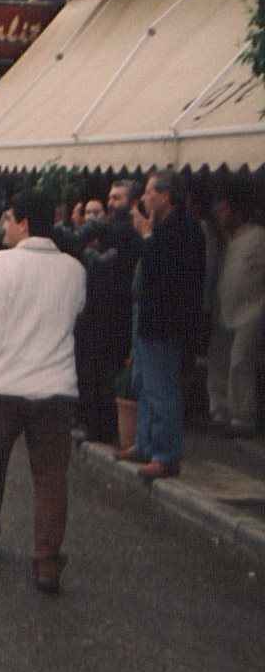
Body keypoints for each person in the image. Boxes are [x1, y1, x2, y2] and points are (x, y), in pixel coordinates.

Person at [0, 189, 87, 593]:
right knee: (51, 477)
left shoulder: (2, 264)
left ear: (25, 223)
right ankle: (47, 561)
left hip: (5, 385)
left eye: (9, 219)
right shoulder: (74, 270)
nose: (5, 227)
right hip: (55, 388)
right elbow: (75, 315)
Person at [120, 169, 207, 481]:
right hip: (149, 316)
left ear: (165, 195)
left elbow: (166, 269)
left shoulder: (185, 229)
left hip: (167, 321)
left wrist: (146, 234)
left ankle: (166, 455)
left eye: (150, 192)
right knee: (144, 384)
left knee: (163, 388)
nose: (144, 198)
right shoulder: (163, 225)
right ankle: (145, 443)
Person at [73, 180, 144, 444]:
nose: (112, 202)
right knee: (95, 368)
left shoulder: (126, 230)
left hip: (115, 311)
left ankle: (99, 427)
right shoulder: (113, 227)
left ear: (132, 202)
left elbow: (108, 265)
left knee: (104, 370)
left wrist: (89, 255)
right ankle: (94, 422)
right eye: (110, 197)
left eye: (117, 198)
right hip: (101, 308)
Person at [206, 182, 265, 435]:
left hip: (252, 311)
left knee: (240, 363)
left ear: (238, 213)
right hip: (224, 309)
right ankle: (219, 411)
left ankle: (242, 417)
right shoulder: (224, 239)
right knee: (218, 362)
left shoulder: (259, 237)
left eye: (224, 211)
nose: (220, 216)